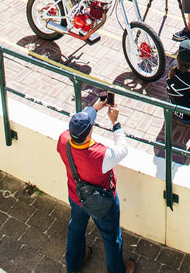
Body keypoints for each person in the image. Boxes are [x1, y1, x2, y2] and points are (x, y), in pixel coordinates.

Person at [57, 99, 136, 273]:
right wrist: (115, 122)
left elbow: (81, 123)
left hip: (76, 196)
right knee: (111, 238)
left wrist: (95, 107)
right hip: (103, 204)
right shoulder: (100, 156)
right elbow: (122, 149)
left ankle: (74, 264)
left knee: (76, 228)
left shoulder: (64, 140)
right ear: (89, 132)